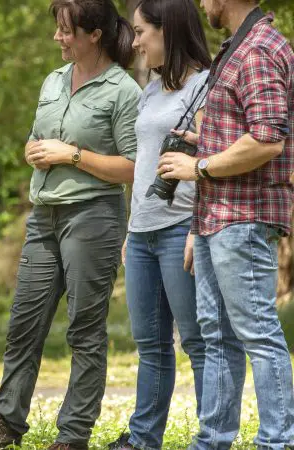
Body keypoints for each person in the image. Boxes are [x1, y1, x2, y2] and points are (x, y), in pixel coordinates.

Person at [0, 0, 140, 448]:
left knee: (84, 327)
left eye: (66, 30)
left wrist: (72, 155)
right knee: (25, 321)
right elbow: (36, 135)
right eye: (58, 29)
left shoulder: (122, 91)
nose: (58, 38)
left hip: (94, 216)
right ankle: (5, 424)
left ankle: (73, 435)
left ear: (93, 34)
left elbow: (135, 167)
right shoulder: (53, 80)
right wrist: (33, 149)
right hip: (44, 216)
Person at [157, 0, 294, 447]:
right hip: (216, 218)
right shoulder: (234, 48)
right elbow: (241, 133)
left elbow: (268, 141)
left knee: (257, 332)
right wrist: (199, 224)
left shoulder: (257, 50)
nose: (200, 3)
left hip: (244, 218)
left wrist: (197, 167)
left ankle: (278, 441)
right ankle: (213, 440)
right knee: (216, 335)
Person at [106, 1, 212, 449]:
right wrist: (133, 230)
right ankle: (143, 438)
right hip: (145, 229)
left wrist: (197, 230)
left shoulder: (206, 86)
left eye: (141, 31)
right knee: (150, 344)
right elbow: (145, 163)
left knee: (198, 342)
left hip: (181, 227)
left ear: (167, 30)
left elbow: (211, 163)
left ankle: (213, 436)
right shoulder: (150, 89)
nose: (135, 42)